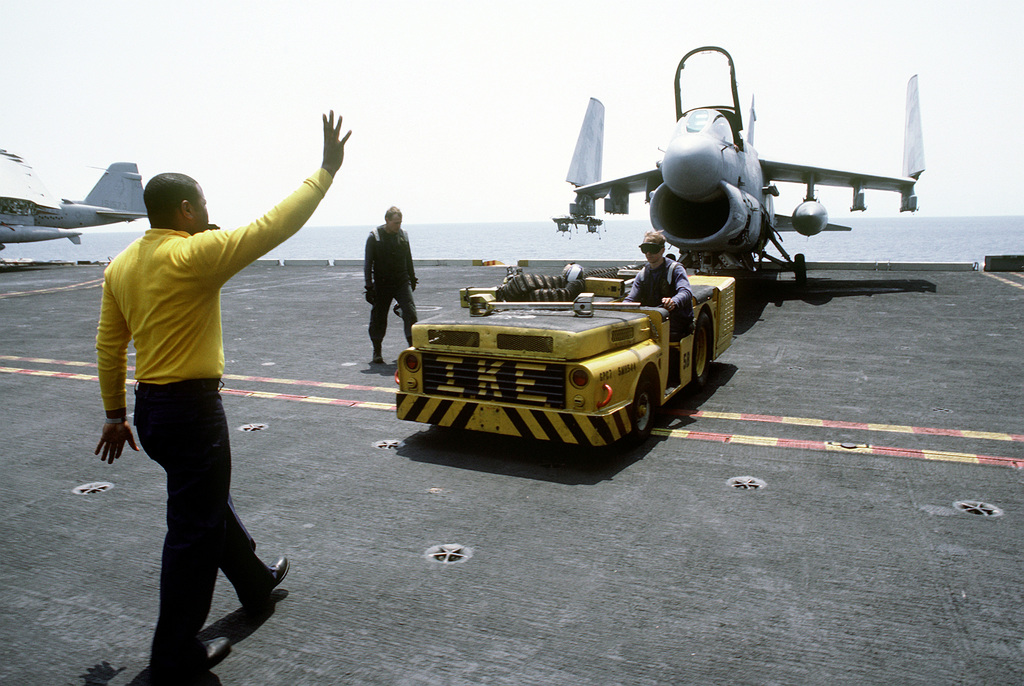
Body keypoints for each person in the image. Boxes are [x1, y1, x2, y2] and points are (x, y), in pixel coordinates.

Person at [94, 112, 351, 684]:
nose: (210, 214)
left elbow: (109, 346)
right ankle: (174, 658)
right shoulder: (193, 254)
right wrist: (326, 171)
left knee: (203, 505)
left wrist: (114, 414)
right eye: (203, 204)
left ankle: (256, 583)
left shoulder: (121, 266)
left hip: (149, 412)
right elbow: (272, 226)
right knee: (193, 531)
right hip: (191, 412)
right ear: (185, 211)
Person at [364, 206, 417, 363]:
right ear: (386, 220)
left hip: (401, 281)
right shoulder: (374, 237)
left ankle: (412, 347)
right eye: (395, 223)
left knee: (410, 312)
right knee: (379, 318)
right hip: (382, 283)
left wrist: (412, 279)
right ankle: (377, 351)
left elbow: (409, 259)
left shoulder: (403, 236)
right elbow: (368, 264)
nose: (398, 226)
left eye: (400, 222)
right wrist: (369, 287)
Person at [623, 230, 693, 341]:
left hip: (674, 322)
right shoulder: (643, 274)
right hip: (652, 320)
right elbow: (631, 298)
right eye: (645, 249)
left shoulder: (675, 269)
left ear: (662, 251)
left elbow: (686, 292)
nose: (648, 254)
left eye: (653, 250)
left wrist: (673, 301)